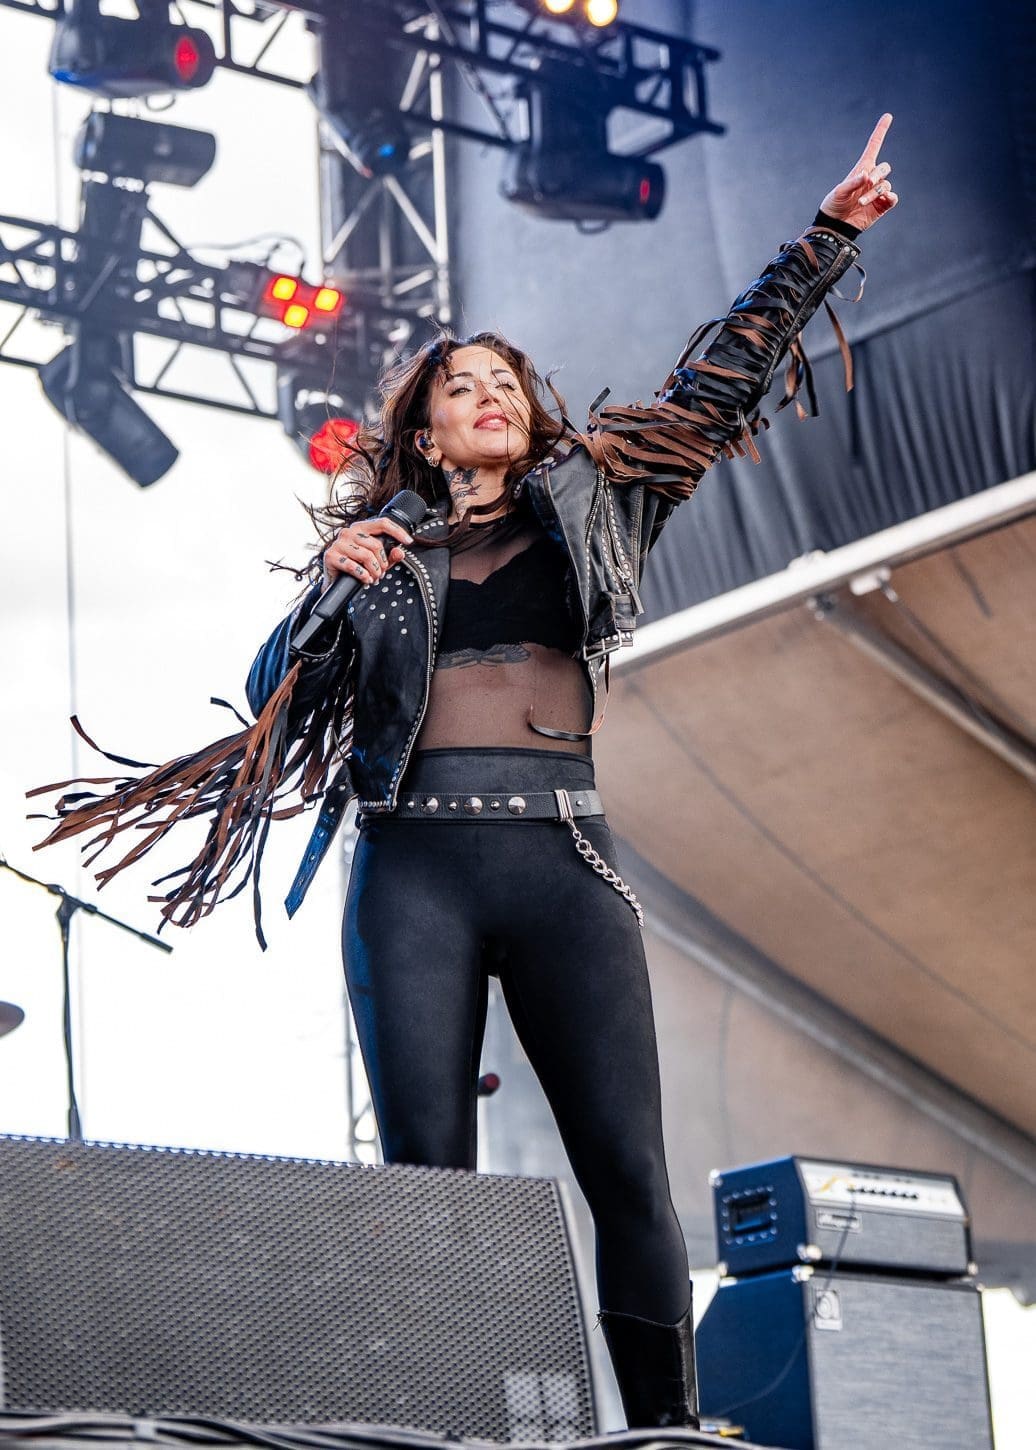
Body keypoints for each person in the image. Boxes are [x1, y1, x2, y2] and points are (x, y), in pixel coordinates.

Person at [34, 118, 897, 1430]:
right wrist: (327, 588)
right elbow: (271, 699)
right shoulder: (380, 554)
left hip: (563, 856)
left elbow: (725, 380)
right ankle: (439, 1423)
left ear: (533, 415)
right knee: (425, 1175)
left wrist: (824, 241)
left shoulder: (608, 497)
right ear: (428, 434)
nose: (486, 391)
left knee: (627, 1168)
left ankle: (662, 1427)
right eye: (459, 386)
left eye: (505, 379)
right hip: (413, 867)